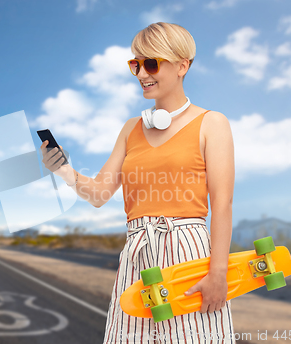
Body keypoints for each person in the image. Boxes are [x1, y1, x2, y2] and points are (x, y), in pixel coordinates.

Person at [40, 22, 235, 344]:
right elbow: (100, 193)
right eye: (136, 64)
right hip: (137, 251)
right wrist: (64, 171)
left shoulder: (211, 123)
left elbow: (223, 203)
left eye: (152, 63)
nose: (142, 73)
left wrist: (218, 274)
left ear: (182, 66)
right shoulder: (131, 128)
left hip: (187, 248)